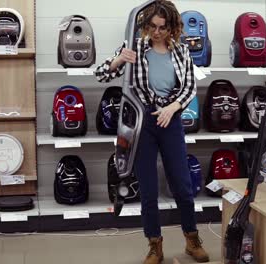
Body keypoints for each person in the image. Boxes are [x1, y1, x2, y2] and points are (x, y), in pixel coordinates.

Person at [95, 1, 210, 263]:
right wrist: (117, 61)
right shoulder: (134, 48)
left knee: (181, 185)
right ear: (145, 25)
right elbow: (100, 75)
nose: (157, 32)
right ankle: (154, 245)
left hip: (171, 121)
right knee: (148, 189)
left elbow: (189, 88)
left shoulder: (181, 52)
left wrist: (173, 108)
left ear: (172, 27)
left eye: (162, 27)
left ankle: (192, 240)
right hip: (142, 123)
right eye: (152, 27)